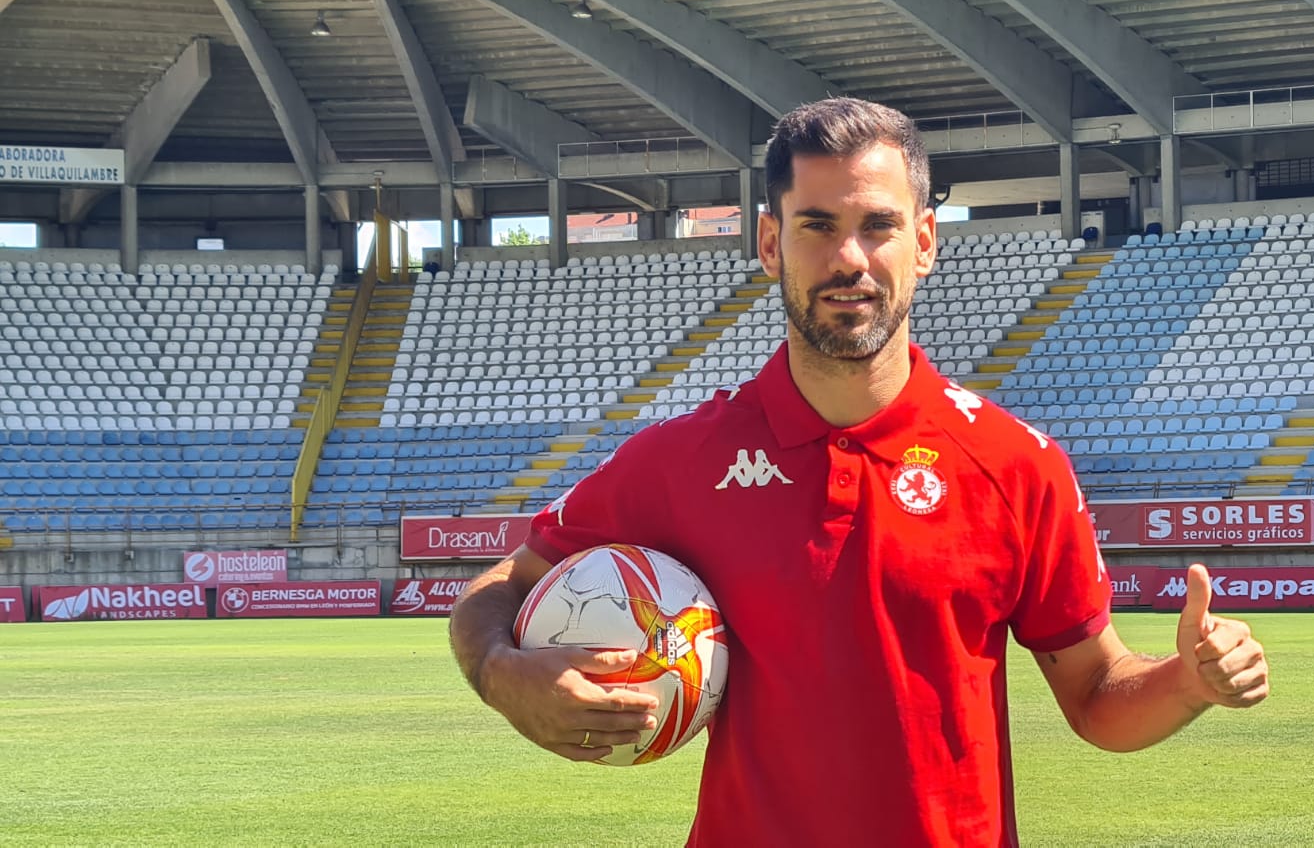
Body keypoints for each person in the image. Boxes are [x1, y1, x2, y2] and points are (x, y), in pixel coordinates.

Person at [449, 97, 1269, 846]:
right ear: (771, 244)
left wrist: (1186, 683)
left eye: (878, 224)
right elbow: (503, 585)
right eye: (816, 225)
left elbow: (1096, 695)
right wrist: (500, 671)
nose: (849, 257)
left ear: (923, 242)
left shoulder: (1018, 464)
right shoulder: (679, 460)